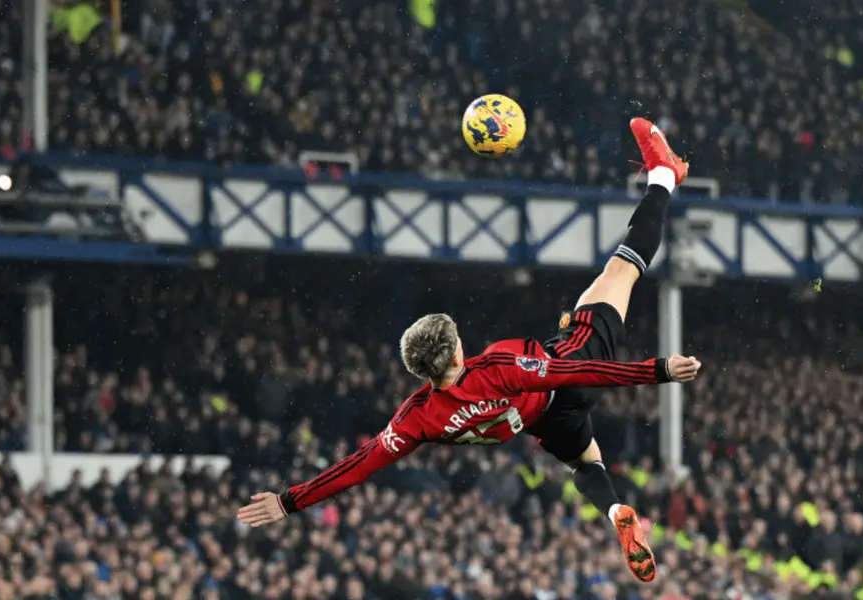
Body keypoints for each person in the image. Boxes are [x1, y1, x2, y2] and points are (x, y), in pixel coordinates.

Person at [238, 118, 692, 584]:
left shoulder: (418, 417)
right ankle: (663, 175)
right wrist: (658, 370)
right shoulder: (497, 365)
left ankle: (616, 508)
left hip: (543, 421)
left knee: (585, 461)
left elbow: (357, 466)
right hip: (569, 372)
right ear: (456, 351)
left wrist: (289, 501)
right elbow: (572, 374)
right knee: (622, 270)